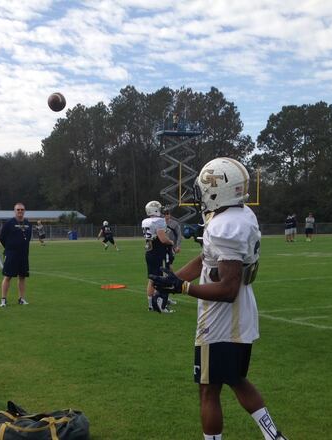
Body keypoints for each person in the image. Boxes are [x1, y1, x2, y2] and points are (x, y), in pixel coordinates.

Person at [150, 157, 288, 440]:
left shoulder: (224, 225)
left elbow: (227, 288)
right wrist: (176, 277)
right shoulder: (241, 215)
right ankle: (274, 437)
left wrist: (182, 289)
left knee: (208, 388)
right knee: (235, 379)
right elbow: (206, 259)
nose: (201, 194)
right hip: (240, 312)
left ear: (218, 189)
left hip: (221, 319)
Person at [142, 200, 174, 312]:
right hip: (157, 252)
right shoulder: (159, 221)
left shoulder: (145, 221)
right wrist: (171, 242)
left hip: (149, 252)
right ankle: (160, 305)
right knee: (160, 279)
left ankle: (151, 304)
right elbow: (163, 239)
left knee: (151, 279)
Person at [0, 203, 32, 307]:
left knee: (22, 277)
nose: (20, 211)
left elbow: (28, 237)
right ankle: (3, 300)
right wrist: (9, 248)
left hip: (23, 254)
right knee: (8, 276)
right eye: (18, 210)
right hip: (11, 254)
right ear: (15, 211)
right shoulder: (9, 223)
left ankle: (21, 298)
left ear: (24, 211)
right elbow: (2, 238)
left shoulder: (28, 223)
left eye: (22, 209)